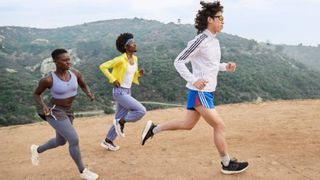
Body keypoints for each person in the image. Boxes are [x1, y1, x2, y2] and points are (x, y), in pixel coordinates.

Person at [141, 1, 249, 175]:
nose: (222, 21)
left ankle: (153, 128)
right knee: (219, 126)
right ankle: (226, 163)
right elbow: (178, 61)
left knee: (187, 124)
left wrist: (224, 67)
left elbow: (210, 65)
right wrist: (194, 79)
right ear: (209, 20)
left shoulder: (214, 41)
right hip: (201, 92)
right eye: (219, 18)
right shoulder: (200, 40)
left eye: (223, 19)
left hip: (205, 92)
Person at [31, 49, 99, 180]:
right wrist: (44, 106)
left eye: (69, 59)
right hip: (55, 111)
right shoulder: (48, 80)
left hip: (69, 110)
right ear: (55, 62)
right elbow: (36, 94)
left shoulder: (75, 73)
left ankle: (37, 149)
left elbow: (83, 85)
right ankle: (83, 171)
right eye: (64, 60)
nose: (69, 62)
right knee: (73, 139)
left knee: (60, 141)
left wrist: (88, 93)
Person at [99, 33, 146, 151]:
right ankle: (121, 122)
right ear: (126, 47)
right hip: (119, 92)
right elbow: (103, 66)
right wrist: (113, 79)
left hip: (127, 91)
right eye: (132, 43)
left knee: (118, 117)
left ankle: (108, 141)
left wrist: (138, 74)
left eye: (134, 42)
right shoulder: (120, 59)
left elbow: (131, 74)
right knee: (141, 111)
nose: (135, 44)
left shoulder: (135, 59)